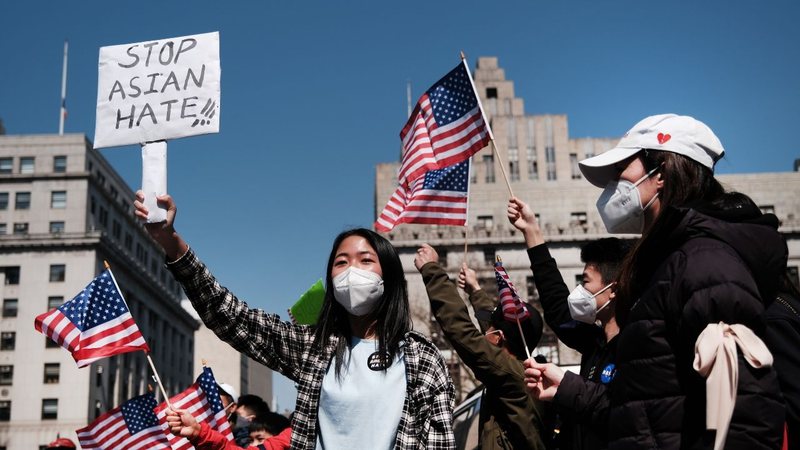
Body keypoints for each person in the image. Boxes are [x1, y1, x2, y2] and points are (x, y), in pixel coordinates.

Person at [135, 192, 455, 450]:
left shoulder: (422, 358)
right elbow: (229, 316)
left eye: (365, 260)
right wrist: (171, 242)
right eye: (341, 263)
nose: (351, 271)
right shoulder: (313, 345)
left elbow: (440, 442)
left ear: (389, 276)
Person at [556, 113, 785, 449]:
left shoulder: (703, 262)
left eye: (622, 170)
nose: (613, 185)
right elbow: (644, 412)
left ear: (660, 173)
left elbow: (749, 407)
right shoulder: (666, 264)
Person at [507, 196, 630, 450]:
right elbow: (558, 308)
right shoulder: (595, 343)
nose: (579, 292)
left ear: (613, 289)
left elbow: (624, 415)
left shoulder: (637, 347)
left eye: (585, 282)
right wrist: (532, 231)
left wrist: (565, 386)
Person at [414, 243, 548, 449]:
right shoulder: (522, 369)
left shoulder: (513, 375)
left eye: (489, 330)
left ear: (499, 337)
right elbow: (494, 325)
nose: (485, 333)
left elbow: (462, 332)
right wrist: (474, 290)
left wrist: (432, 270)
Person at [166, 408, 291, 450]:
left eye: (260, 439)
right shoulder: (292, 435)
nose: (252, 445)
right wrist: (198, 433)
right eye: (251, 440)